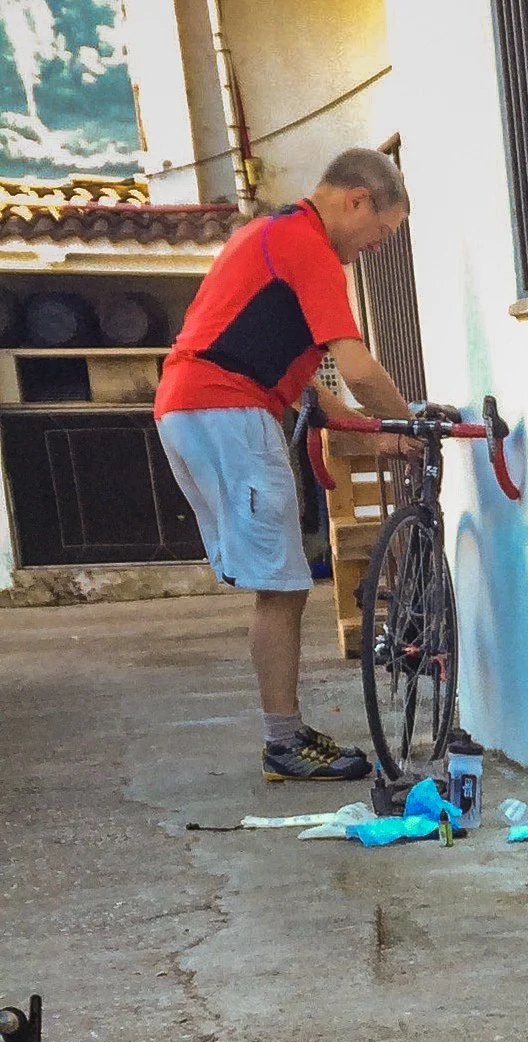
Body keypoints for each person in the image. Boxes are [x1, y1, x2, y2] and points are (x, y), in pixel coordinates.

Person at [154, 149, 428, 783]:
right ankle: (283, 743)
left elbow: (306, 383)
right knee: (281, 587)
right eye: (382, 232)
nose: (375, 249)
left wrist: (374, 435)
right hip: (226, 413)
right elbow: (356, 367)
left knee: (279, 583)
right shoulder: (305, 243)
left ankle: (285, 735)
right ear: (358, 199)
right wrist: (408, 420)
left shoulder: (275, 237)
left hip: (205, 411)